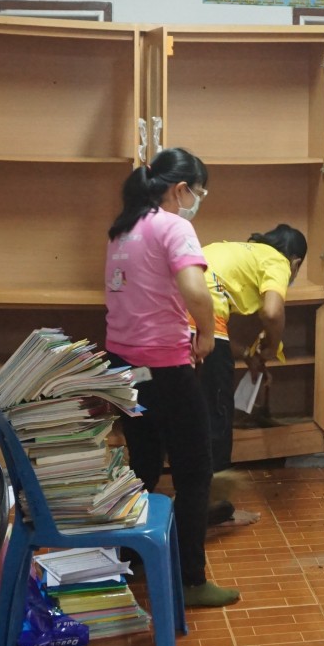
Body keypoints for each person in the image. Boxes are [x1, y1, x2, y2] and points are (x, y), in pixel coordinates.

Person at [104, 148, 239, 608]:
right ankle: (191, 580)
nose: (196, 201)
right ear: (180, 189)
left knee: (142, 464)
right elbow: (196, 290)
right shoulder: (173, 226)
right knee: (194, 471)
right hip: (165, 366)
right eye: (197, 192)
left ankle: (132, 557)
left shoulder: (122, 229)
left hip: (123, 366)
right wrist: (206, 333)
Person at [200, 225, 307, 474]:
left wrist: (247, 354)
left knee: (194, 401)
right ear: (296, 263)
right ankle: (216, 486)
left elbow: (214, 335)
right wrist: (272, 345)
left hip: (175, 314)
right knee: (217, 408)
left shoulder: (245, 253)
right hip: (201, 314)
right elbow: (272, 312)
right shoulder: (278, 261)